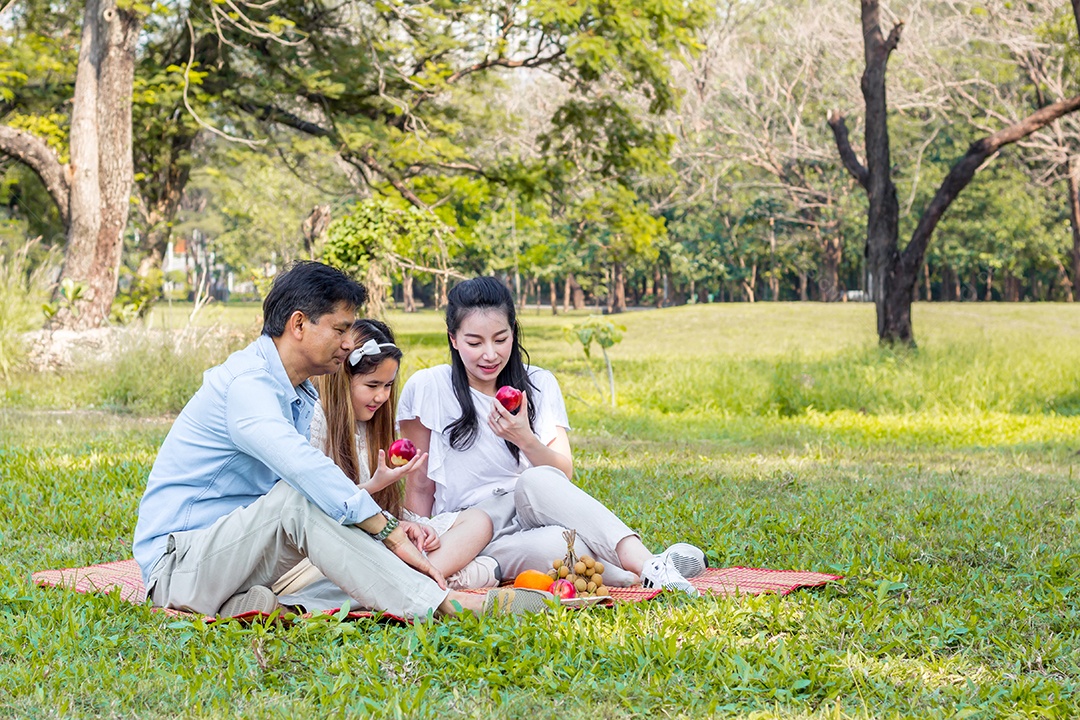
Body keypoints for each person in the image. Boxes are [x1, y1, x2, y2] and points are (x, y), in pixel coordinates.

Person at [132, 261, 548, 620]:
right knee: (312, 505)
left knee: (360, 564)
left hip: (245, 558)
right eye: (341, 329)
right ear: (298, 325)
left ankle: (265, 604)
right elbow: (303, 474)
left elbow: (318, 505)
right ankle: (444, 605)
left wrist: (391, 528)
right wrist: (387, 529)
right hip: (179, 565)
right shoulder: (247, 386)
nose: (350, 343)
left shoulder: (300, 392)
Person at [398, 276, 708, 596]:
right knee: (556, 546)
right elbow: (419, 484)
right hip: (471, 533)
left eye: (501, 339)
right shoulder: (428, 387)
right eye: (475, 343)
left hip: (530, 509)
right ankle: (645, 567)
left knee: (538, 479)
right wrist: (424, 539)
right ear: (453, 339)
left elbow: (563, 474)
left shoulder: (539, 383)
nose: (489, 354)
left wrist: (525, 438)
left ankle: (646, 564)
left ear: (514, 333)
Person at [271, 319, 498, 610]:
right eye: (372, 385)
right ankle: (434, 585)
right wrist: (375, 487)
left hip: (372, 536)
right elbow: (313, 511)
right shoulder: (315, 422)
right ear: (341, 379)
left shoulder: (371, 426)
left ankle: (405, 586)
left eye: (388, 385)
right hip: (319, 550)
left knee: (478, 522)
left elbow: (379, 517)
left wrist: (405, 524)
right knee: (475, 564)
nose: (381, 396)